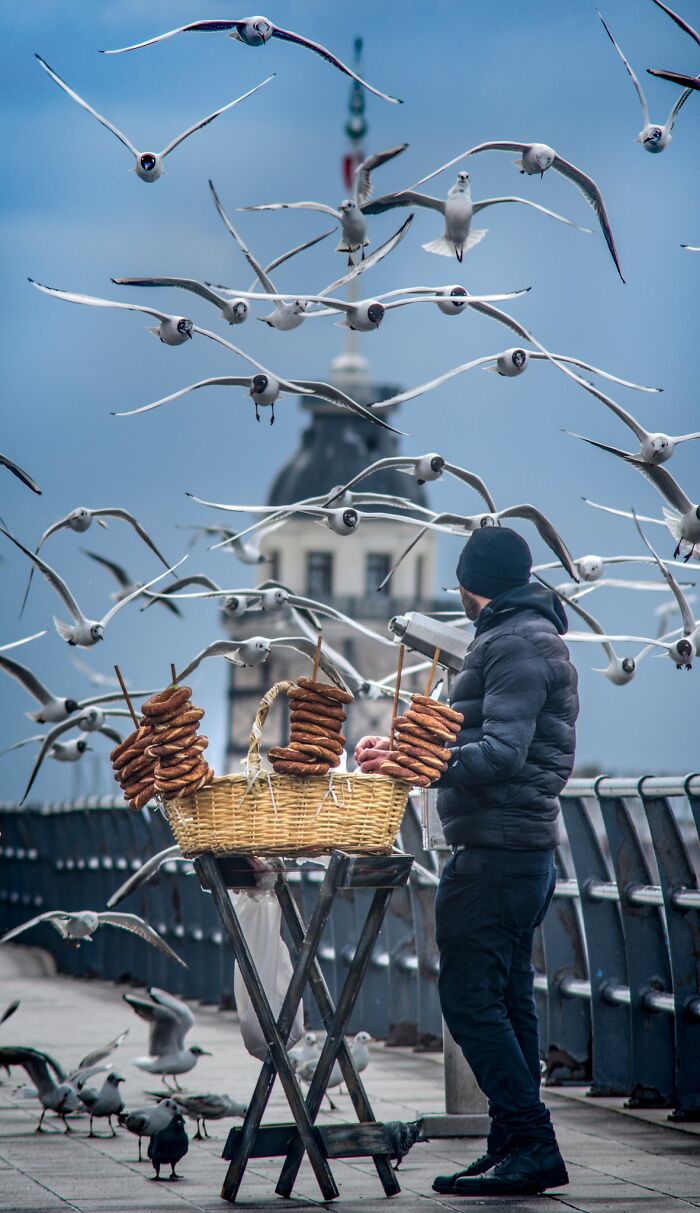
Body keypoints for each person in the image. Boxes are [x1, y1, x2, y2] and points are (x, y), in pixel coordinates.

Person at [355, 526, 579, 1197]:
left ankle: (531, 1140)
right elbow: (479, 737)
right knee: (507, 996)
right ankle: (513, 1141)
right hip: (519, 847)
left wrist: (417, 766)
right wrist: (401, 750)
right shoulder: (530, 636)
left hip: (498, 850)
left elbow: (502, 754)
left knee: (469, 998)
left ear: (469, 584)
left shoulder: (511, 641)